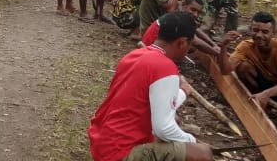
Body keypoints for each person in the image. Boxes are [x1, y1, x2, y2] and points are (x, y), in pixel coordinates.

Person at [88, 11, 213, 161]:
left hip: (103, 142)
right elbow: (163, 129)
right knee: (203, 154)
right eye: (190, 44)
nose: (189, 50)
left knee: (175, 123)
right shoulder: (165, 67)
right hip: (118, 153)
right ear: (181, 42)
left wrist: (183, 92)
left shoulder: (136, 55)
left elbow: (156, 102)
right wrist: (193, 141)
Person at [219, 11, 277, 133]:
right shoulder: (245, 46)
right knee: (244, 67)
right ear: (250, 30)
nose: (259, 35)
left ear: (274, 33)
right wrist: (223, 46)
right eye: (255, 30)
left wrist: (266, 94)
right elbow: (226, 71)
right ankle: (260, 105)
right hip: (264, 86)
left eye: (265, 32)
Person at [138, 0, 219, 57]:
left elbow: (197, 30)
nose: (195, 14)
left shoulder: (181, 15)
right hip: (150, 49)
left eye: (198, 12)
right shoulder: (179, 19)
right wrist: (218, 54)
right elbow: (196, 42)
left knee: (190, 45)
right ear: (184, 5)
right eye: (193, 10)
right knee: (191, 44)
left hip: (152, 46)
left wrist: (213, 44)